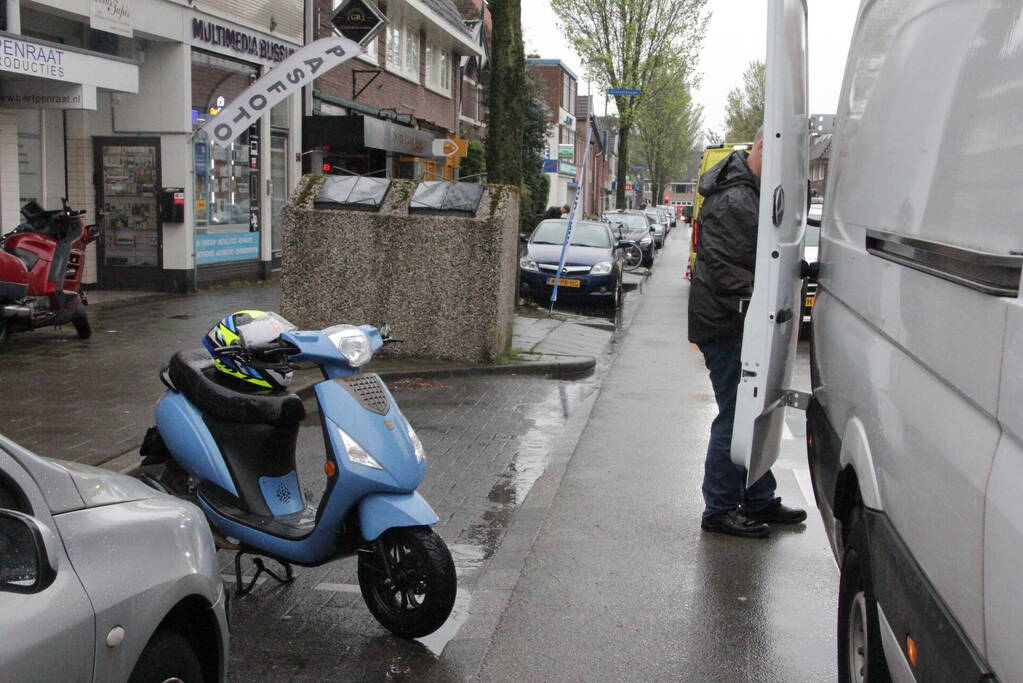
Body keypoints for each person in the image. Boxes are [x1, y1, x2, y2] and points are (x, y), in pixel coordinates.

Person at [687, 128, 806, 538]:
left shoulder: (751, 191)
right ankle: (719, 509)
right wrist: (767, 298)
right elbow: (726, 271)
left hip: (740, 321)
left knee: (755, 411)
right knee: (738, 414)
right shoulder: (734, 199)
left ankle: (757, 497)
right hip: (726, 325)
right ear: (762, 147)